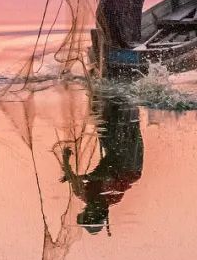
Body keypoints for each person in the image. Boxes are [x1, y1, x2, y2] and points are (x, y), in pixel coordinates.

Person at [59, 95, 144, 234]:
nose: (92, 209)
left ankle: (109, 95)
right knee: (125, 127)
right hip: (130, 166)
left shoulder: (83, 194)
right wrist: (84, 177)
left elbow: (71, 177)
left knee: (102, 121)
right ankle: (128, 97)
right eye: (94, 214)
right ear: (102, 212)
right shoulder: (113, 196)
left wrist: (66, 159)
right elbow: (106, 175)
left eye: (88, 212)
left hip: (113, 156)